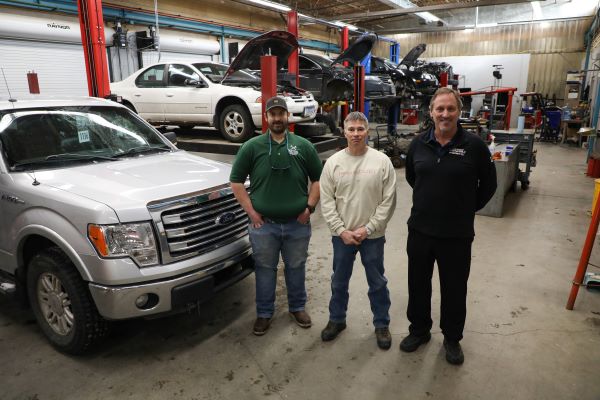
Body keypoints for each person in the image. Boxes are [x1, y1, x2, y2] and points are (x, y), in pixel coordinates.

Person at [400, 87, 497, 364]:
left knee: (454, 288)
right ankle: (419, 330)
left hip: (456, 234)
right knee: (418, 284)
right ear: (431, 112)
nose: (445, 114)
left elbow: (489, 185)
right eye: (439, 109)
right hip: (420, 231)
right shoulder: (418, 145)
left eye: (450, 109)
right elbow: (412, 178)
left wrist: (465, 210)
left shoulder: (474, 146)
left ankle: (452, 338)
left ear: (459, 112)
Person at [230, 96, 322, 336]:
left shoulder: (303, 146)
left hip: (297, 224)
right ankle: (264, 313)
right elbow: (236, 182)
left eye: (281, 114)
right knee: (264, 269)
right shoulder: (252, 147)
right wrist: (251, 212)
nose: (278, 118)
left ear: (287, 117)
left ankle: (297, 307)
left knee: (296, 266)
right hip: (264, 227)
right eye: (273, 114)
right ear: (266, 118)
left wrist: (309, 208)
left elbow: (318, 180)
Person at [319, 111, 397, 350]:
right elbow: (327, 201)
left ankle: (381, 324)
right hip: (342, 237)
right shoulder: (333, 163)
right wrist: (341, 230)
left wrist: (369, 228)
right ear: (344, 131)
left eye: (360, 129)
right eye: (351, 129)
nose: (355, 134)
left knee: (377, 282)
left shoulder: (382, 161)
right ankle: (337, 320)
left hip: (372, 236)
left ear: (367, 131)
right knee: (339, 281)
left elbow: (389, 200)